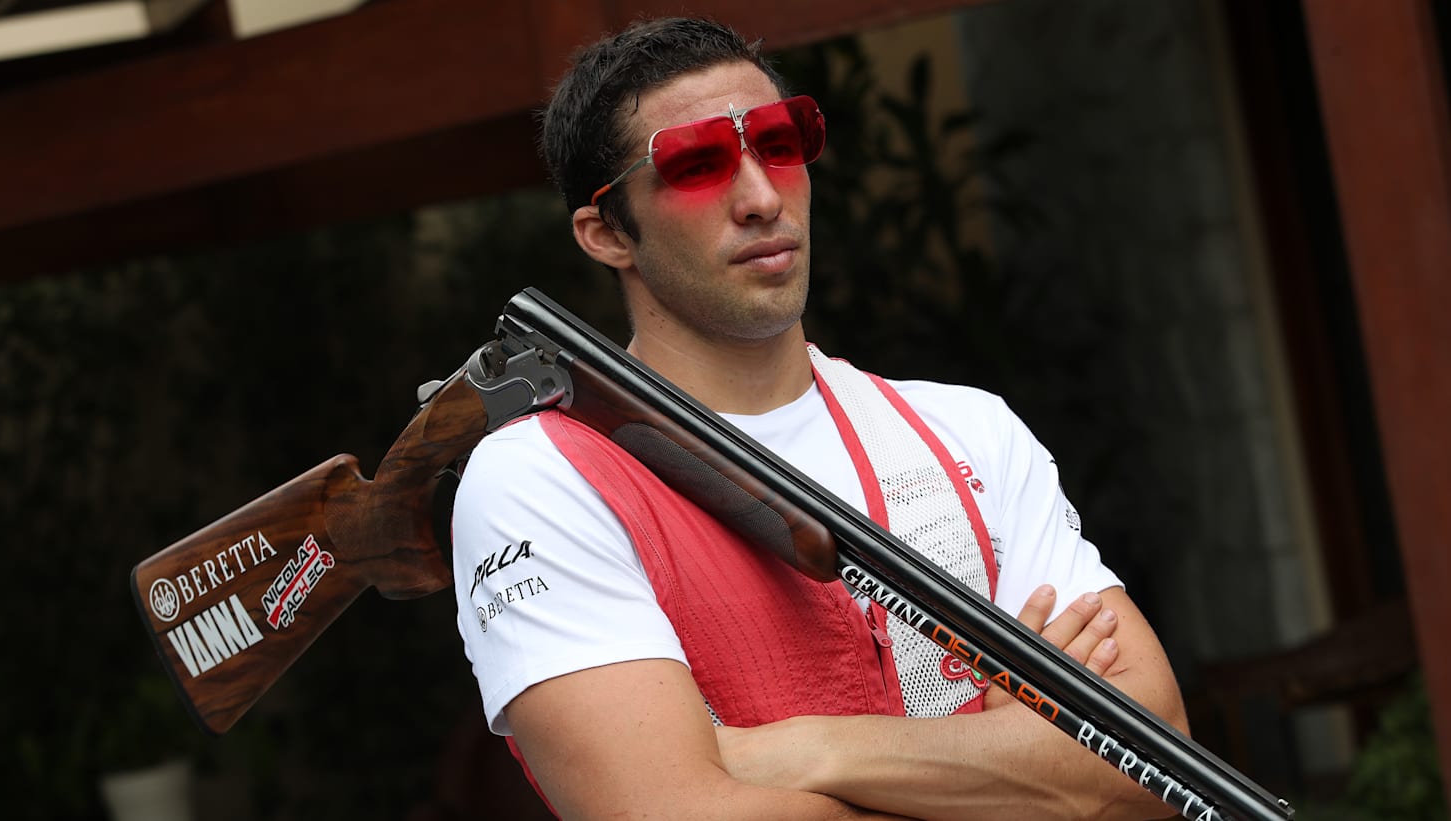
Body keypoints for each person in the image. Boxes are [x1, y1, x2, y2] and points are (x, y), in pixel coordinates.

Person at [451, 16, 1188, 820]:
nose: (763, 198)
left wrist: (809, 749)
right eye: (695, 165)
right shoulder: (540, 477)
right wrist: (1023, 764)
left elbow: (1151, 766)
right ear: (606, 234)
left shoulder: (971, 431)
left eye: (779, 144)